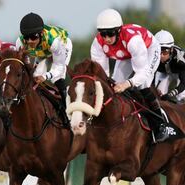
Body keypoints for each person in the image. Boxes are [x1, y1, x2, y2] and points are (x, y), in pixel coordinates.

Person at [90, 8, 171, 142]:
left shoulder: (134, 41)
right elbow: (102, 76)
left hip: (149, 49)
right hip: (126, 54)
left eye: (110, 34)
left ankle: (160, 124)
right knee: (112, 86)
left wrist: (127, 83)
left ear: (118, 31)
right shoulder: (97, 44)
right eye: (103, 34)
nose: (106, 39)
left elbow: (142, 74)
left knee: (142, 85)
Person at [16, 12, 72, 124]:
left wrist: (46, 76)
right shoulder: (20, 43)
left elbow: (58, 67)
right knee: (34, 77)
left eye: (33, 37)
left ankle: (67, 115)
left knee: (57, 78)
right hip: (42, 52)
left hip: (61, 47)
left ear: (41, 34)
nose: (30, 42)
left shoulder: (55, 41)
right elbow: (26, 68)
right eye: (27, 37)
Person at [154, 29, 185, 103]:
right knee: (159, 95)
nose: (161, 56)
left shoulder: (180, 60)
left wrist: (171, 94)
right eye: (158, 51)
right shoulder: (153, 55)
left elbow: (184, 83)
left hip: (180, 74)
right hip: (166, 72)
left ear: (171, 49)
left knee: (181, 97)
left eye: (165, 52)